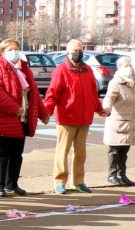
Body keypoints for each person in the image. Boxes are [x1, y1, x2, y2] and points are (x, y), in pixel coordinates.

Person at [44, 39, 108, 194]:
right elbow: (52, 94)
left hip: (84, 118)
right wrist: (47, 112)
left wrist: (99, 109)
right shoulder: (61, 70)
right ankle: (60, 182)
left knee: (80, 152)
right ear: (68, 52)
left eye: (80, 50)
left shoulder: (87, 70)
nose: (78, 53)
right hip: (67, 118)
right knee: (63, 151)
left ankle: (78, 181)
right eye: (75, 51)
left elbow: (93, 93)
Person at [0, 39, 49, 197]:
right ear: (3, 52)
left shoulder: (24, 68)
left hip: (22, 119)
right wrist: (14, 108)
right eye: (10, 49)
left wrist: (43, 113)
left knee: (17, 154)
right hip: (5, 118)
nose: (14, 52)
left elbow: (34, 93)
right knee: (2, 154)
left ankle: (12, 184)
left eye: (16, 49)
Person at [102, 57, 135, 186]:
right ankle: (112, 175)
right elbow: (109, 97)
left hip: (130, 122)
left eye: (130, 65)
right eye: (126, 66)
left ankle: (122, 174)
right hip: (119, 123)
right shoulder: (116, 82)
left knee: (124, 151)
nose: (129, 68)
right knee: (115, 151)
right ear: (119, 68)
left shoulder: (133, 83)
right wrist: (106, 109)